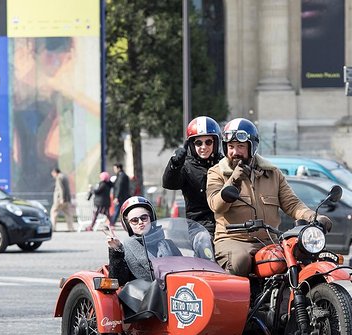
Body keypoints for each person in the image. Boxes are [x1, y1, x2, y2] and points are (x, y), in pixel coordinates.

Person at [206, 118, 333, 276]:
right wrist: (234, 180)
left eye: (240, 146)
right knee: (239, 262)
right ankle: (241, 300)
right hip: (233, 240)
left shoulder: (272, 173)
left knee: (295, 259)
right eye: (230, 147)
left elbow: (292, 204)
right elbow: (216, 205)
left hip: (269, 240)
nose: (235, 152)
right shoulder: (217, 173)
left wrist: (314, 217)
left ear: (252, 147)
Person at [162, 116, 222, 259]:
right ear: (191, 145)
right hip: (200, 225)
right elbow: (170, 183)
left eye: (208, 142)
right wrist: (175, 164)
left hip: (225, 222)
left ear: (216, 142)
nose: (203, 147)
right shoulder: (186, 166)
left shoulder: (223, 163)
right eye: (198, 142)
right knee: (204, 243)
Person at [106, 196, 182, 286]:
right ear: (128, 225)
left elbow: (184, 270)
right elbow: (118, 281)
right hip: (142, 296)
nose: (140, 222)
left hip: (173, 293)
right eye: (134, 220)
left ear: (151, 218)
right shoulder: (125, 247)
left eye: (144, 217)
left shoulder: (168, 244)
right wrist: (116, 250)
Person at [50, 167, 76, 232]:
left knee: (53, 212)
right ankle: (71, 228)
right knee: (68, 214)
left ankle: (53, 227)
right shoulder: (65, 177)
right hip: (67, 199)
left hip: (59, 199)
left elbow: (61, 189)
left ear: (55, 172)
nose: (53, 175)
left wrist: (62, 198)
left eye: (53, 174)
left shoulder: (59, 178)